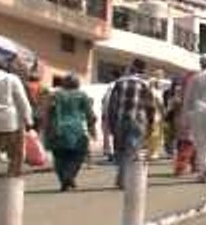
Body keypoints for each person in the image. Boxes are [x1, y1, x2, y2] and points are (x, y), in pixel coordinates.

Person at [106, 58, 157, 189]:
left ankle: (121, 177)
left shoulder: (119, 83)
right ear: (143, 70)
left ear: (131, 68)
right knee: (132, 150)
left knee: (120, 150)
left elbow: (111, 105)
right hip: (137, 121)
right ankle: (123, 179)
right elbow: (150, 107)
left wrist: (111, 124)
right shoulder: (145, 84)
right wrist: (151, 124)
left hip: (120, 120)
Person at [45, 73, 96, 192]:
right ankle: (69, 176)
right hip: (75, 130)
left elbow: (47, 112)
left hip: (57, 129)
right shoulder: (82, 95)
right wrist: (92, 128)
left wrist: (46, 128)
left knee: (59, 156)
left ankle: (64, 179)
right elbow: (90, 114)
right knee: (78, 155)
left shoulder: (55, 95)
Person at [0, 52, 33, 179]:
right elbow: (22, 101)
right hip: (11, 123)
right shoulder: (11, 78)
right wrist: (28, 119)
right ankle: (11, 181)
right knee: (16, 154)